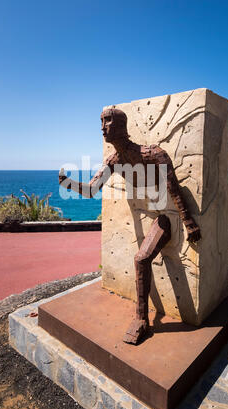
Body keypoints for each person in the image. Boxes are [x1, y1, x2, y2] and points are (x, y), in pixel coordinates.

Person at [59, 107, 201, 344]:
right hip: (148, 215)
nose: (102, 127)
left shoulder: (154, 154)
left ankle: (141, 320)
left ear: (121, 126)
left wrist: (189, 222)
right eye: (101, 121)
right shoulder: (114, 161)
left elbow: (174, 188)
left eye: (108, 121)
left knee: (141, 258)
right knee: (141, 259)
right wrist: (69, 184)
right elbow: (92, 189)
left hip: (166, 217)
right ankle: (144, 317)